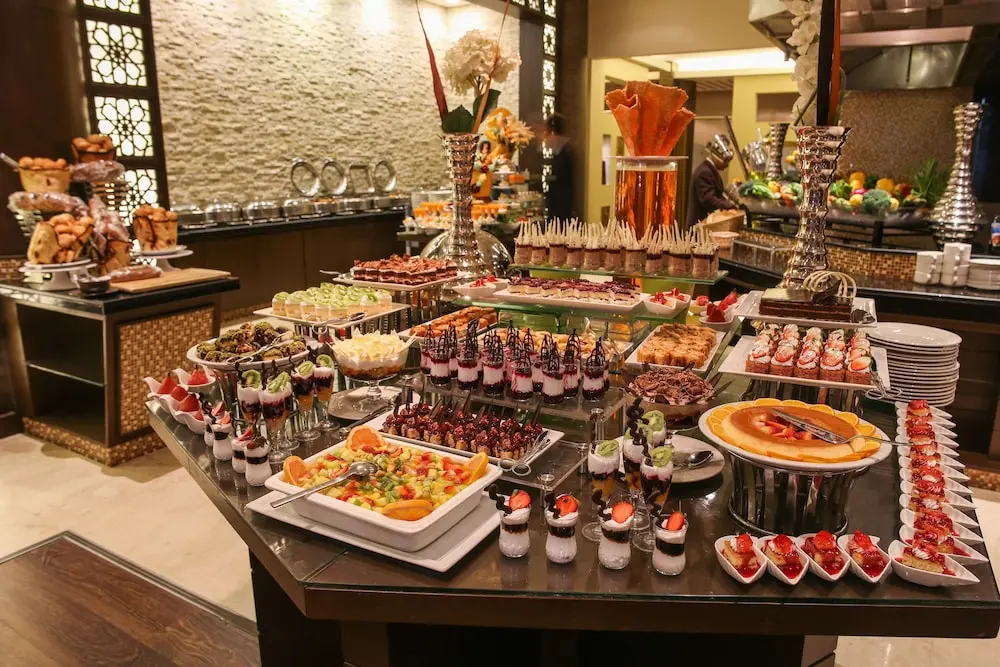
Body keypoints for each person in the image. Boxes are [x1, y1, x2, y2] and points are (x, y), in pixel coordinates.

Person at [685, 134, 739, 228]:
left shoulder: (709, 170)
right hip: (698, 227)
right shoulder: (704, 172)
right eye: (725, 161)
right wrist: (729, 206)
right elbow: (708, 199)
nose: (727, 165)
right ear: (716, 157)